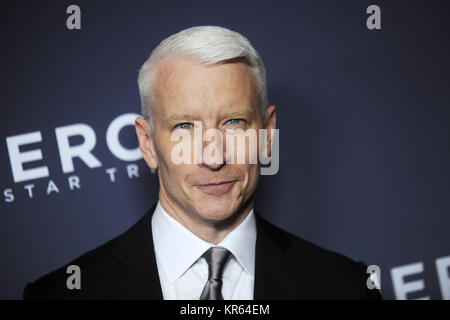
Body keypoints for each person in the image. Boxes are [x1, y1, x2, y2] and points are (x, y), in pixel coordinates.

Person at [23, 26, 381, 300]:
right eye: (185, 127)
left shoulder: (346, 288)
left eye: (234, 122)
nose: (214, 157)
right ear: (147, 143)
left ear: (268, 134)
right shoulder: (62, 295)